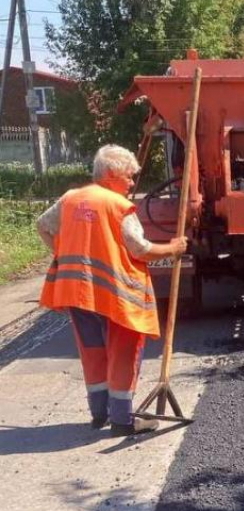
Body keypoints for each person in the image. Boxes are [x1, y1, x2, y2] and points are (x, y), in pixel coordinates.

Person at [37, 145, 187, 437]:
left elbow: (43, 226)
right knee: (123, 354)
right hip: (114, 296)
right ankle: (122, 420)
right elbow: (141, 250)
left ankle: (99, 414)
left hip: (76, 293)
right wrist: (174, 247)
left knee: (93, 352)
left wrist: (61, 252)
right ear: (110, 175)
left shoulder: (70, 199)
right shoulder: (118, 207)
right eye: (129, 177)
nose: (132, 184)